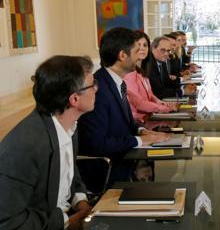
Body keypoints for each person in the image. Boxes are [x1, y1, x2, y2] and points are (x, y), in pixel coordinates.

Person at [0, 56, 94, 229]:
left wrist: (81, 203)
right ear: (74, 99)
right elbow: (8, 222)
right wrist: (66, 222)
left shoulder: (69, 126)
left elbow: (69, 175)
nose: (96, 90)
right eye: (92, 85)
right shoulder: (25, 146)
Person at [78, 27, 169, 182]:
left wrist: (141, 131)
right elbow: (97, 144)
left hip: (125, 163)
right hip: (109, 173)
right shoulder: (98, 90)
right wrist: (140, 140)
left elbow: (125, 122)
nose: (139, 56)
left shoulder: (117, 82)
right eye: (136, 51)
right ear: (122, 55)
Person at [124, 31, 178, 123]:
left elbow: (151, 95)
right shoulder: (128, 73)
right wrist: (163, 108)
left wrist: (162, 103)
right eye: (138, 45)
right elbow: (139, 104)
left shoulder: (142, 71)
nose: (142, 48)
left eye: (145, 45)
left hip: (149, 117)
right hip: (138, 122)